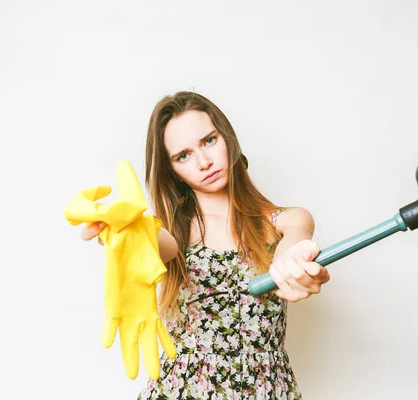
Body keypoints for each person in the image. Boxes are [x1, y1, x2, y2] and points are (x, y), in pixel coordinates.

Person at [81, 91, 330, 399]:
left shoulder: (286, 220)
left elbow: (294, 241)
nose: (204, 162)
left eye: (209, 140)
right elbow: (155, 242)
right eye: (182, 155)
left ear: (227, 138)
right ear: (172, 171)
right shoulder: (172, 230)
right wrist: (127, 229)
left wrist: (291, 262)